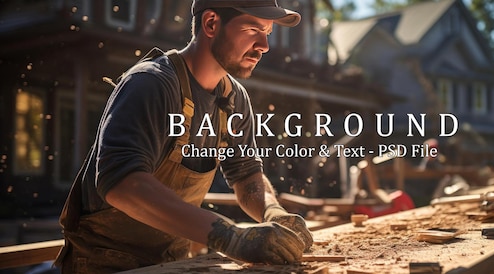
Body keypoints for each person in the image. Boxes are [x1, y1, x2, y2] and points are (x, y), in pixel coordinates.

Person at [54, 1, 313, 273]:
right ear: (211, 23)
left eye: (267, 33)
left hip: (174, 261)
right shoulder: (151, 84)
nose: (264, 45)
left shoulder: (233, 99)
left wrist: (273, 212)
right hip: (105, 264)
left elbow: (246, 173)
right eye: (252, 29)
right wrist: (230, 236)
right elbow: (122, 184)